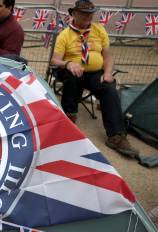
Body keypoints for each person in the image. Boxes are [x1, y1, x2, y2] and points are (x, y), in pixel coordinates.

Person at [50, 0, 139, 157]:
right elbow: (55, 60)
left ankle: (116, 136)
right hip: (73, 72)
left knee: (109, 87)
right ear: (74, 14)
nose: (88, 16)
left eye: (90, 13)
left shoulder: (99, 30)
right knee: (72, 75)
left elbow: (107, 56)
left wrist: (108, 73)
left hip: (95, 73)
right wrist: (69, 63)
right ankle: (68, 122)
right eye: (84, 13)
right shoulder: (65, 34)